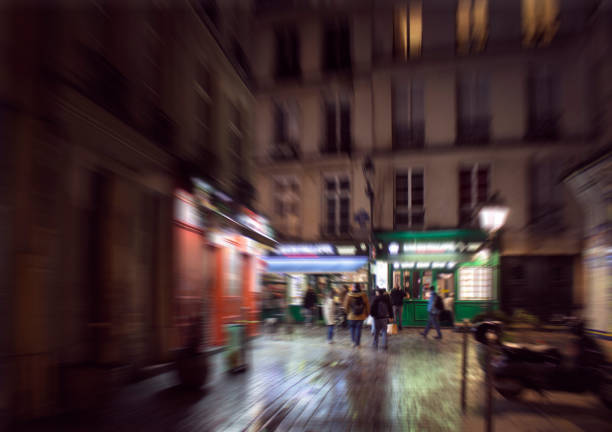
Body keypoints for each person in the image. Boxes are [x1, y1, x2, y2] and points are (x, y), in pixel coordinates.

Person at [343, 284, 370, 348]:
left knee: (352, 329)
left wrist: (347, 313)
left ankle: (353, 342)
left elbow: (345, 306)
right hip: (361, 316)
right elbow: (367, 305)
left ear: (353, 288)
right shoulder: (364, 295)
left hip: (351, 316)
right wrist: (367, 314)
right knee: (359, 329)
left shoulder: (348, 295)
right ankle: (358, 344)